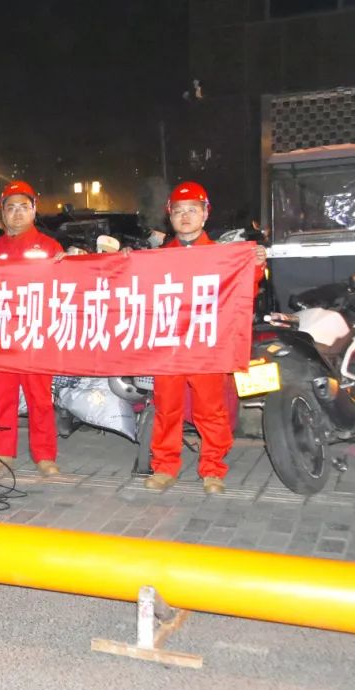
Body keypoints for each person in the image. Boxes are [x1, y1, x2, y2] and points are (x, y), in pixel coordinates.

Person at [145, 181, 267, 495]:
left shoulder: (222, 255)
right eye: (178, 211)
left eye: (192, 210)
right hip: (169, 346)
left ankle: (212, 469)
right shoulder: (157, 258)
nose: (185, 217)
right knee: (166, 408)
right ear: (169, 215)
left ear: (205, 214)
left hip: (206, 345)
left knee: (210, 409)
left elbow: (244, 289)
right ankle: (164, 466)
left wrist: (255, 265)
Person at [0, 180, 63, 478]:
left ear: (34, 210)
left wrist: (68, 264)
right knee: (3, 397)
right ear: (2, 213)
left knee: (40, 399)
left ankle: (45, 455)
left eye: (23, 207)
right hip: (1, 337)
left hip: (35, 336)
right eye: (10, 207)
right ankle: (3, 451)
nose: (17, 213)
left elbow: (65, 286)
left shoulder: (50, 248)